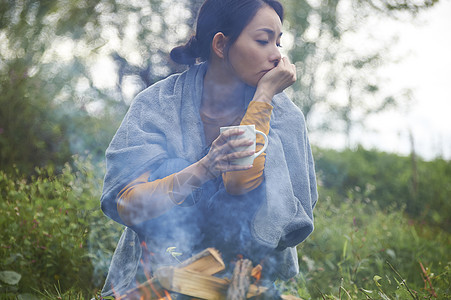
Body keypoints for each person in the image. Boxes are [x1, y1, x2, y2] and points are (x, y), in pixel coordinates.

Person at [100, 0, 318, 297]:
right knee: (173, 168)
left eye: (278, 43)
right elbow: (127, 205)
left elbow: (241, 184)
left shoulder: (283, 114)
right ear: (220, 44)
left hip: (246, 280)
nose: (277, 55)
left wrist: (264, 97)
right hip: (159, 278)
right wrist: (202, 169)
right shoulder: (157, 104)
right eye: (263, 40)